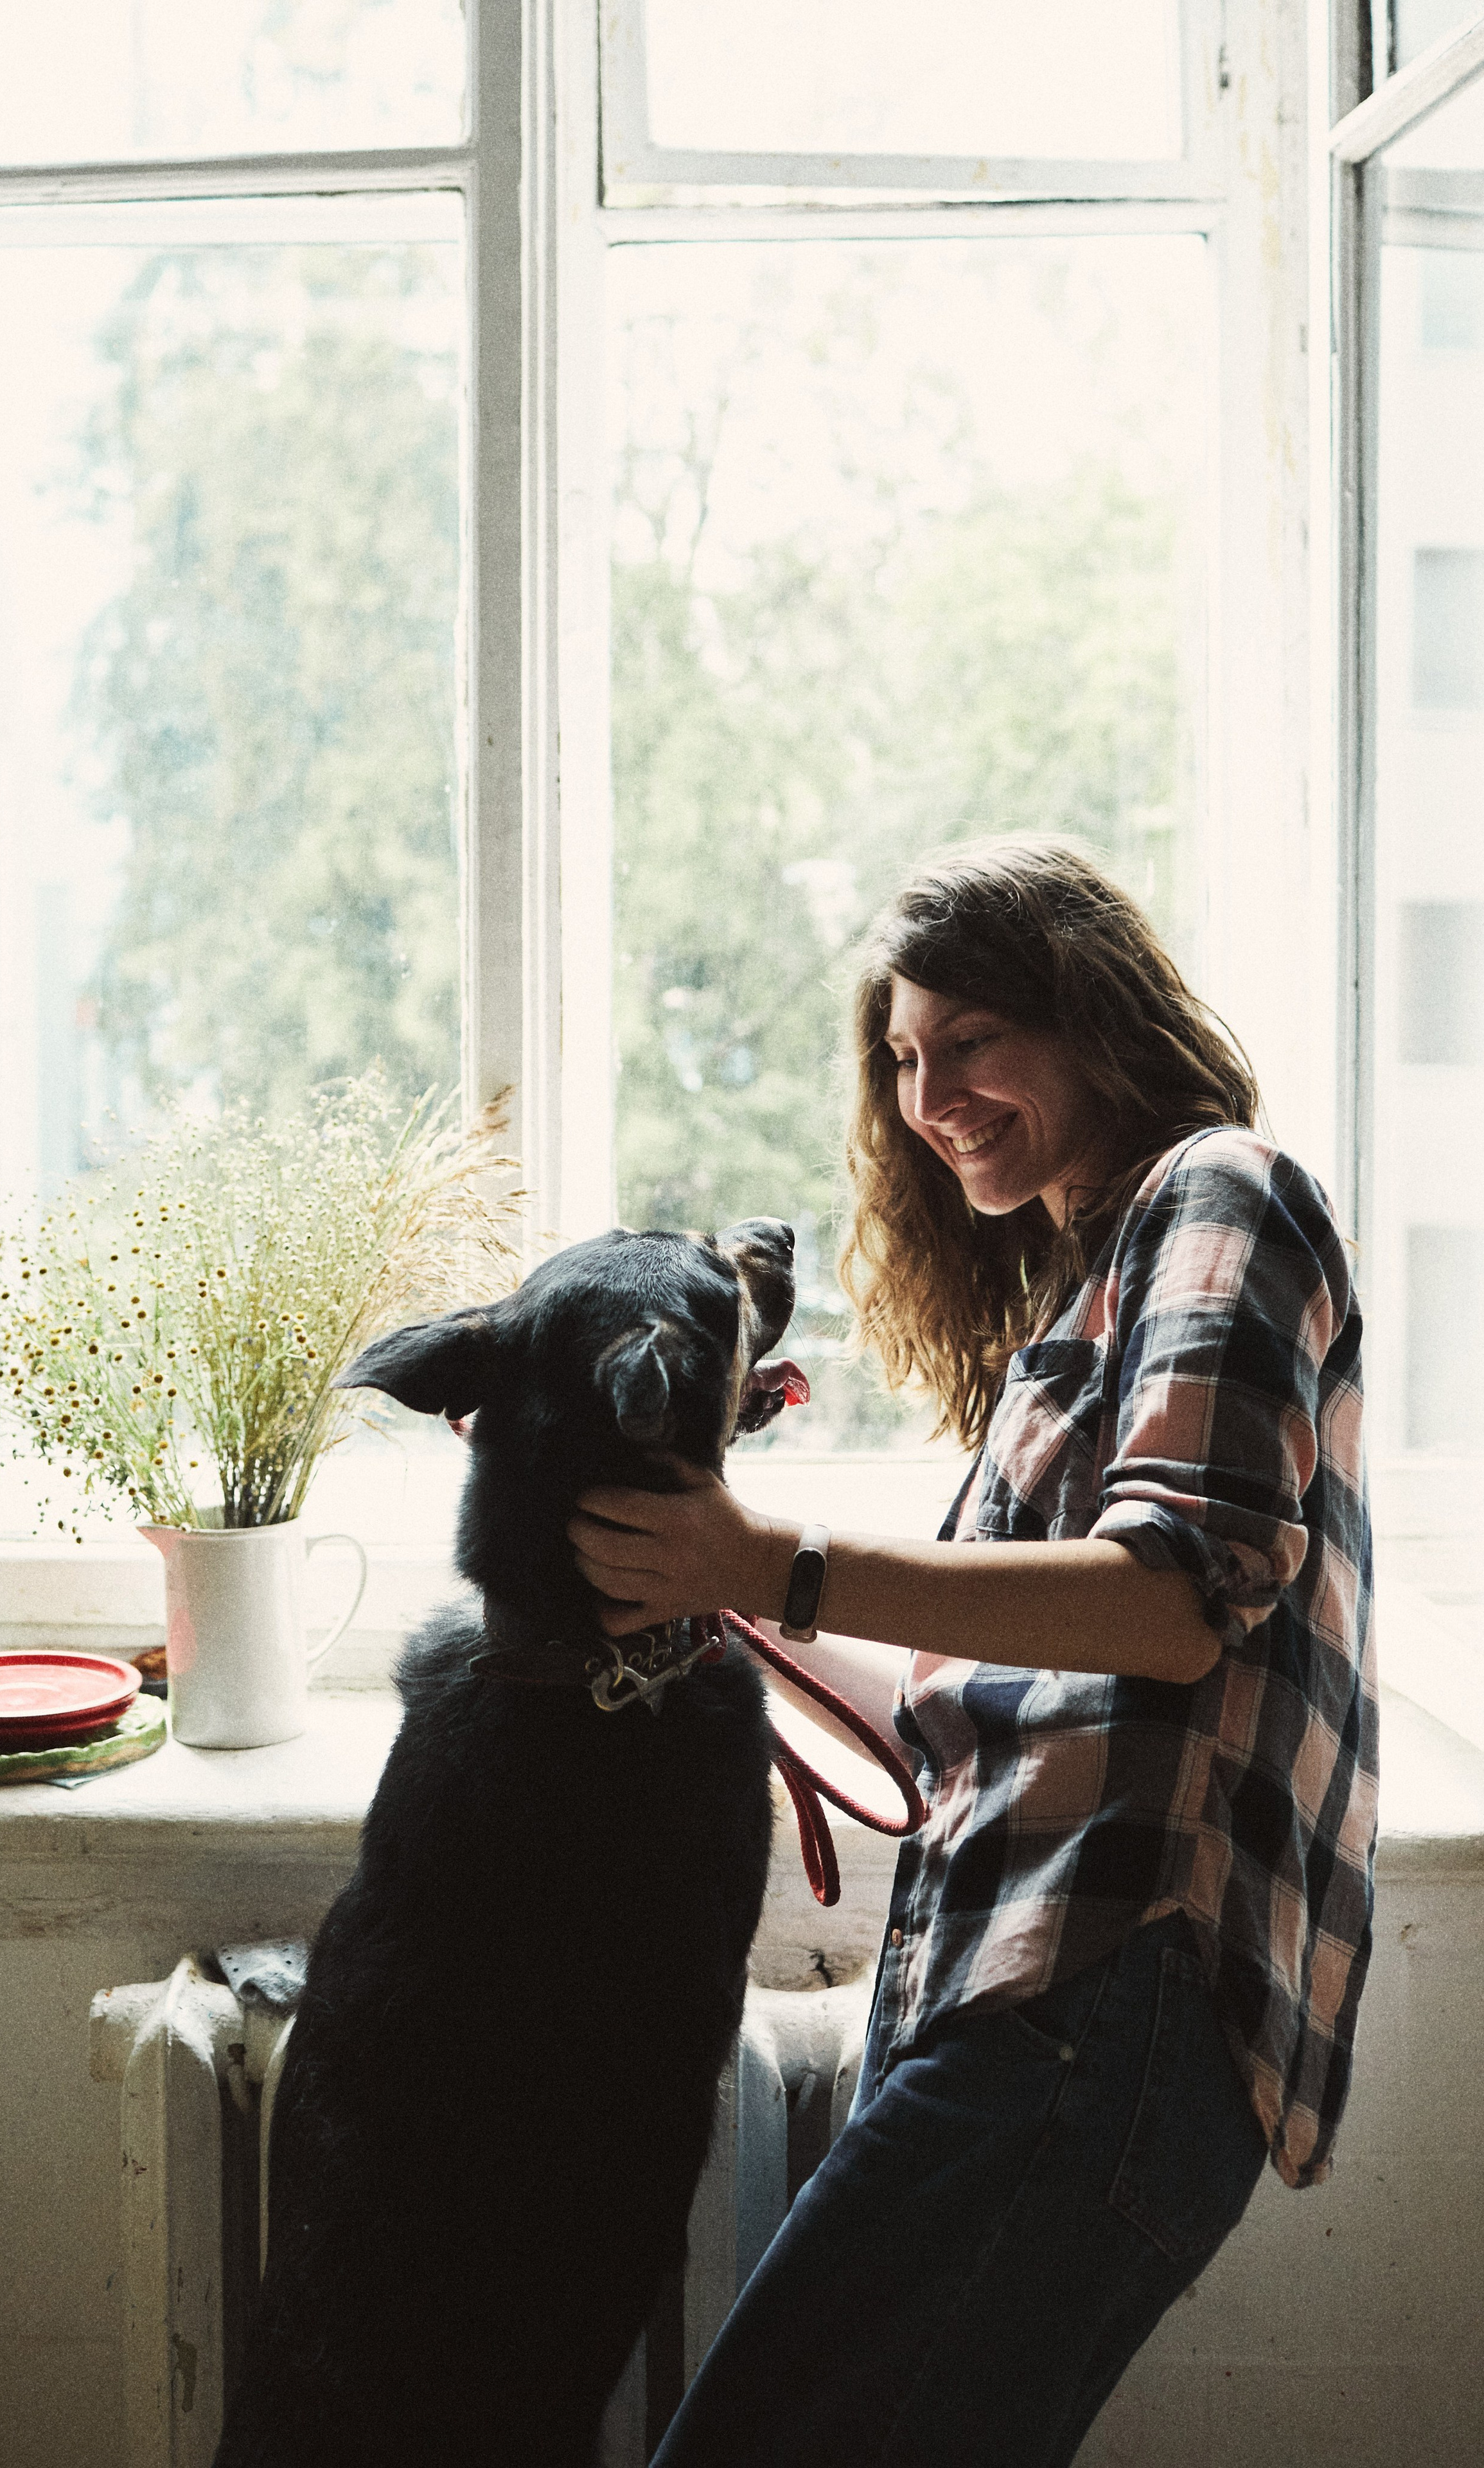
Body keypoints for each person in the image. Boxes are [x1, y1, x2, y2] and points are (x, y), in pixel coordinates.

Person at [567, 840, 1376, 2468]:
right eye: (901, 1059)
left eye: (970, 1040)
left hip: (1098, 1994)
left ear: (1088, 1015)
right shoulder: (1077, 1308)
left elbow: (1163, 1598)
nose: (930, 1095)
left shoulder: (1220, 1190)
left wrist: (780, 1564)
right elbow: (981, 1711)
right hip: (1043, 2005)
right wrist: (729, 1608)